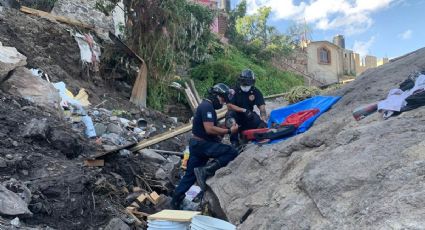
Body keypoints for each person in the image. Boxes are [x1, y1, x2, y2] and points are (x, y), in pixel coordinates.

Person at [171, 83, 239, 210]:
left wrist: (224, 126)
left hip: (198, 145)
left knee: (189, 176)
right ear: (215, 95)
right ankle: (205, 170)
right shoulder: (207, 107)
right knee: (231, 151)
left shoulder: (207, 107)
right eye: (222, 99)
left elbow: (210, 128)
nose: (223, 102)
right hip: (202, 145)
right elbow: (209, 129)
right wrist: (229, 131)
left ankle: (175, 201)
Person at [226, 69, 268, 147]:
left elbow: (262, 107)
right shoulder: (233, 90)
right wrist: (243, 110)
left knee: (260, 123)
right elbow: (229, 105)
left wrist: (263, 117)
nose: (246, 86)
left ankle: (251, 136)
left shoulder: (255, 91)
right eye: (244, 83)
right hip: (236, 115)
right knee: (230, 116)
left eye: (248, 84)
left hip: (248, 115)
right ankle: (234, 141)